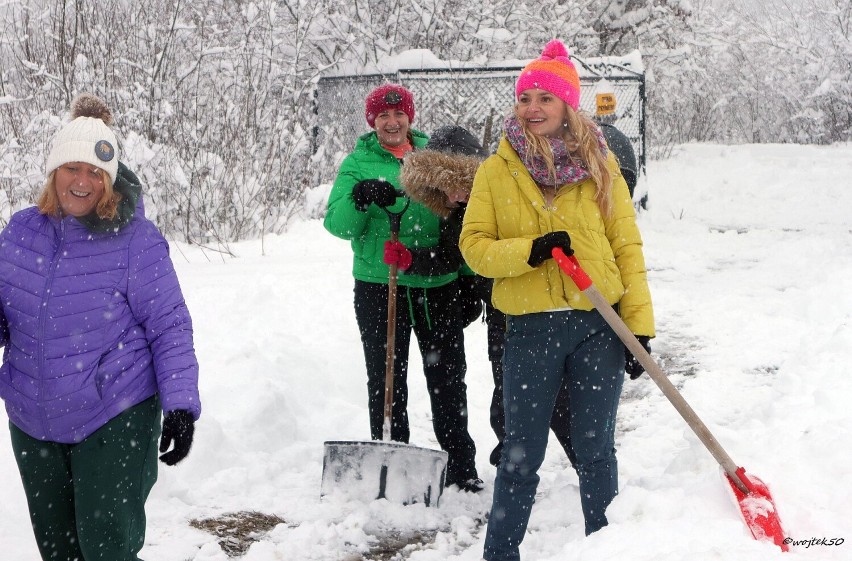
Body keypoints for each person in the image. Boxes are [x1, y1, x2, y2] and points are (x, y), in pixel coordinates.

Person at [459, 39, 655, 560]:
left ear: (567, 105)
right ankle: (500, 555)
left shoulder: (599, 165)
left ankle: (609, 550)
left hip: (598, 324)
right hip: (529, 328)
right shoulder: (495, 171)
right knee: (521, 456)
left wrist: (638, 325)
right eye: (526, 98)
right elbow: (473, 247)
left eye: (546, 98)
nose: (533, 108)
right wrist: (530, 251)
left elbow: (626, 246)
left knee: (594, 451)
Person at [0, 93, 200, 560]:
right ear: (54, 170)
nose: (83, 181)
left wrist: (181, 405)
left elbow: (169, 326)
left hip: (114, 413)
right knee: (59, 551)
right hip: (34, 419)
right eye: (74, 167)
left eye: (96, 172)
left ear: (110, 181)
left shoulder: (135, 240)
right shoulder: (19, 232)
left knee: (106, 549)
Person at [323, 84, 481, 492]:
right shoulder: (357, 163)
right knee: (387, 377)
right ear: (371, 122)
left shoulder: (432, 155)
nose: (391, 122)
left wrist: (466, 278)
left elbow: (465, 218)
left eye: (399, 114)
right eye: (382, 116)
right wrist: (359, 199)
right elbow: (337, 226)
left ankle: (461, 465)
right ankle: (392, 457)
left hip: (437, 284)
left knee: (447, 377)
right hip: (379, 286)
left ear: (410, 117)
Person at [399, 125, 577, 469]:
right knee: (509, 391)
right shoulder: (460, 210)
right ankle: (513, 457)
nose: (454, 195)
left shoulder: (503, 199)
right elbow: (457, 254)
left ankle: (587, 462)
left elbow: (523, 245)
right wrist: (414, 260)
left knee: (549, 395)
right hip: (500, 309)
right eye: (444, 188)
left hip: (535, 304)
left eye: (460, 184)